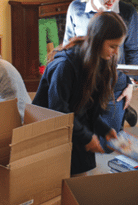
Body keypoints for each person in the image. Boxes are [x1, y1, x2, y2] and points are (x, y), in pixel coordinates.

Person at [34, 11, 126, 176]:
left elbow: (87, 107)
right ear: (97, 41)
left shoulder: (100, 60)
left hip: (75, 123)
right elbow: (58, 112)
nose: (115, 52)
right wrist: (86, 137)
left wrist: (104, 129)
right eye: (112, 46)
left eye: (118, 46)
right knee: (62, 178)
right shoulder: (64, 66)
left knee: (82, 173)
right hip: (51, 129)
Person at [63, 0, 138, 131]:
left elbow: (133, 50)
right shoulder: (76, 8)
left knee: (108, 143)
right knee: (80, 136)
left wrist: (130, 86)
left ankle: (123, 111)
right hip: (85, 82)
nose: (113, 0)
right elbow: (67, 47)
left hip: (115, 85)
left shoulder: (128, 12)